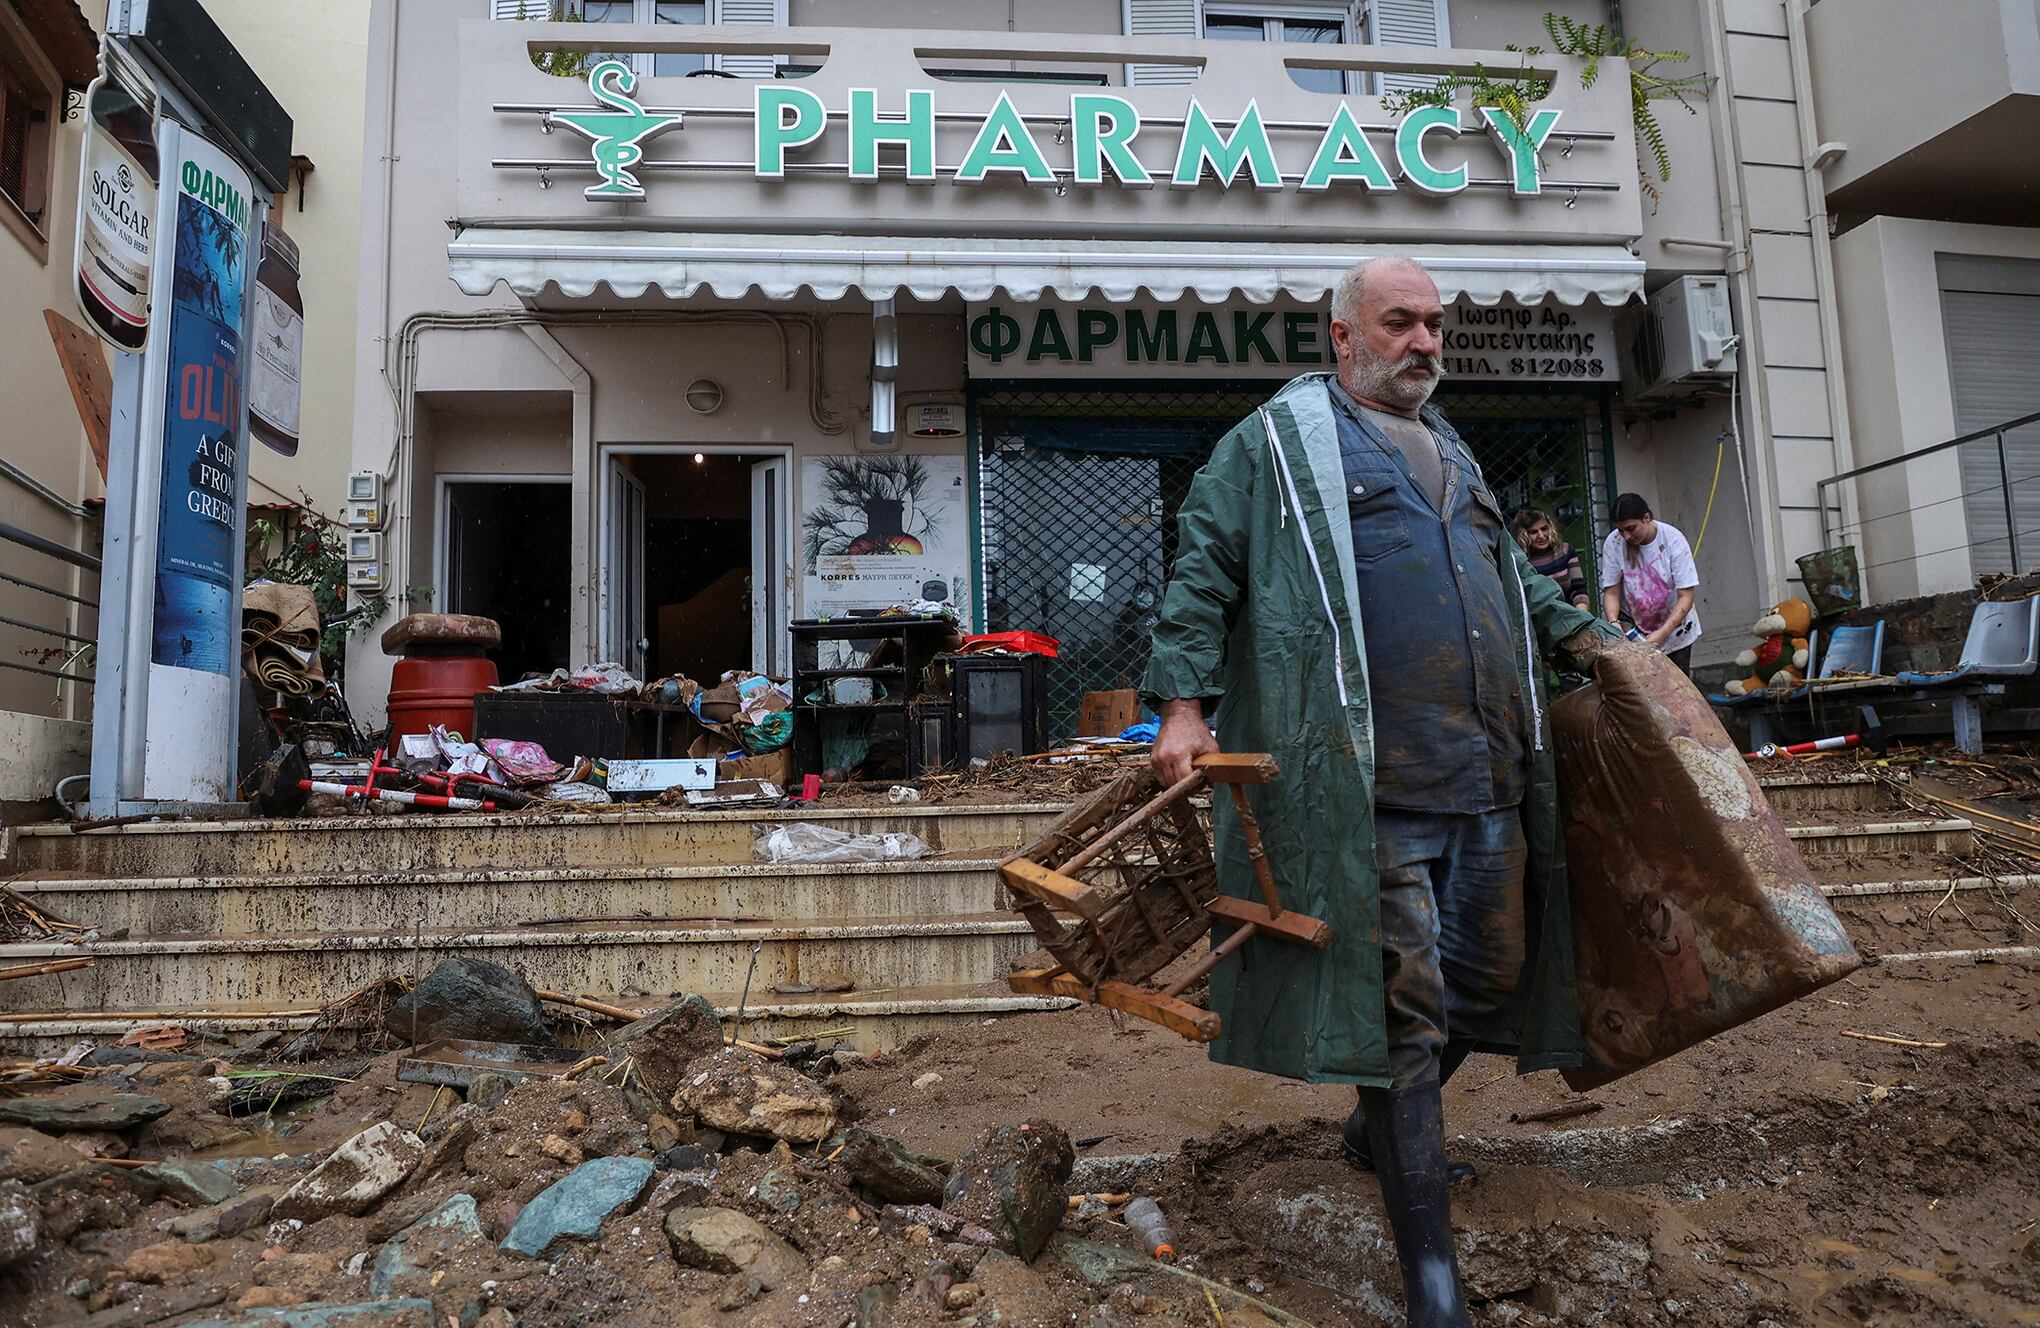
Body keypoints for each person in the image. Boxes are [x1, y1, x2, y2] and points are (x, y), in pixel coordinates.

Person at [1143, 257, 1630, 1328]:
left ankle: (1378, 1130)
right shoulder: (1273, 443)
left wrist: (1598, 644)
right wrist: (1182, 701)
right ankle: (1434, 1285)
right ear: (1343, 338)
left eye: (1435, 325)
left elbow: (1513, 588)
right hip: (1369, 787)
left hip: (1489, 775)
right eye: (1400, 322)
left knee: (1487, 980)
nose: (1424, 342)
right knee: (1406, 1012)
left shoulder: (1451, 447)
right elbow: (1202, 568)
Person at [1599, 493, 1702, 674]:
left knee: (1676, 689)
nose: (1626, 536)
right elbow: (1612, 592)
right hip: (1633, 626)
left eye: (1631, 528)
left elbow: (1686, 597)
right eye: (1621, 530)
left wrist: (1662, 634)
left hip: (1674, 628)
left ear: (1647, 518)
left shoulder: (1673, 540)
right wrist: (1613, 623)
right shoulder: (1614, 542)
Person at [1512, 507, 1591, 610]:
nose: (1541, 536)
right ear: (1523, 535)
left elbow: (1579, 589)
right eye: (1534, 532)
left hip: (1570, 612)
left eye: (1544, 529)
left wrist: (1581, 614)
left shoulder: (1565, 551)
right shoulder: (1519, 561)